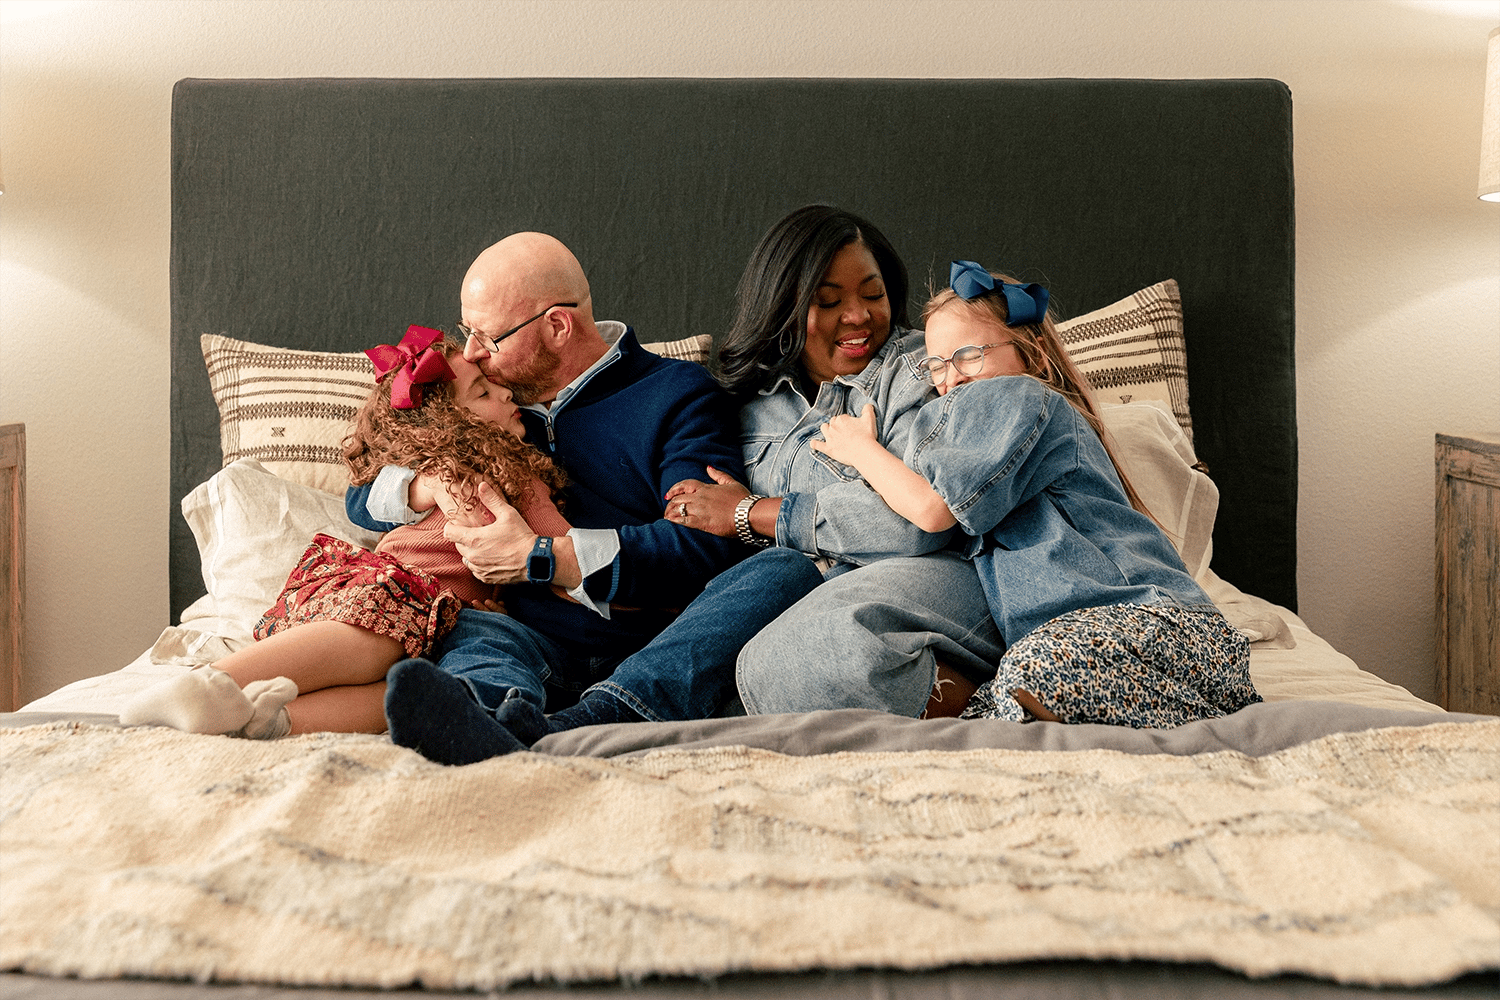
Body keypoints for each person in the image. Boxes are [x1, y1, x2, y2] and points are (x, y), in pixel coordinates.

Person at [355, 232, 824, 765]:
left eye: (488, 336)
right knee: (474, 630)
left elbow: (700, 545)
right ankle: (486, 718)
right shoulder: (490, 405)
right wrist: (424, 486)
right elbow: (363, 484)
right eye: (467, 332)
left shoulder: (678, 392)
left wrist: (541, 557)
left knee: (785, 571)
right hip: (530, 639)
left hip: (655, 639)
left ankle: (597, 716)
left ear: (557, 325)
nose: (471, 353)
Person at [808, 260, 1261, 727]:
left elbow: (930, 509)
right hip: (1086, 643)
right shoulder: (977, 453)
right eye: (936, 365)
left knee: (1028, 677)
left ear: (1034, 355)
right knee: (998, 699)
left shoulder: (1024, 397)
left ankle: (1214, 718)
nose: (950, 380)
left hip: (1159, 622)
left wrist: (862, 450)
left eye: (968, 356)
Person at [120, 325, 571, 738]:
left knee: (409, 689)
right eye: (483, 392)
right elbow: (568, 559)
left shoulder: (494, 473)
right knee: (380, 641)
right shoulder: (489, 475)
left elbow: (535, 560)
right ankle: (213, 681)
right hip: (397, 590)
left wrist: (509, 608)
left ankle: (267, 720)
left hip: (441, 623)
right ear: (449, 423)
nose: (507, 394)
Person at [663, 205, 1004, 719]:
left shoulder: (920, 369)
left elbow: (919, 522)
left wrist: (756, 513)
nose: (859, 316)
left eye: (873, 294)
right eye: (828, 301)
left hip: (928, 577)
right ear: (781, 307)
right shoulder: (748, 410)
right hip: (799, 594)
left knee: (821, 647)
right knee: (756, 661)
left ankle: (986, 706)